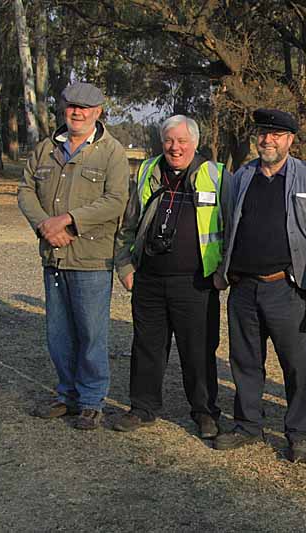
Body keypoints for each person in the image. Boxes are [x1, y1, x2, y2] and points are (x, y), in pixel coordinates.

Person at [213, 109, 306, 462]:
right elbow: (227, 221)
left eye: (277, 134)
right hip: (243, 289)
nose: (268, 140)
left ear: (290, 140)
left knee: (295, 364)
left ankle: (298, 433)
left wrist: (299, 270)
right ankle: (248, 425)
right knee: (245, 361)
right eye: (263, 133)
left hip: (285, 288)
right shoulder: (241, 177)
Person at [17, 82, 130, 430]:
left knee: (91, 334)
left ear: (97, 113)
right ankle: (66, 394)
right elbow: (25, 190)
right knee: (59, 334)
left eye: (85, 109)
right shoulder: (45, 149)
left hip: (91, 260)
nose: (77, 113)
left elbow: (115, 201)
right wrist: (44, 227)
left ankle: (92, 401)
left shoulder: (111, 152)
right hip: (53, 256)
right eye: (71, 107)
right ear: (64, 110)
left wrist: (67, 221)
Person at [111, 115, 229, 439]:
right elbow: (128, 223)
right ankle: (142, 408)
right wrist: (125, 268)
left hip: (196, 282)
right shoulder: (148, 170)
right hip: (148, 279)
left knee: (198, 350)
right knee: (147, 346)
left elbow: (232, 229)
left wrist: (223, 273)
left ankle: (205, 413)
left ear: (195, 143)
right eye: (169, 141)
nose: (175, 148)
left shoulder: (216, 175)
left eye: (182, 141)